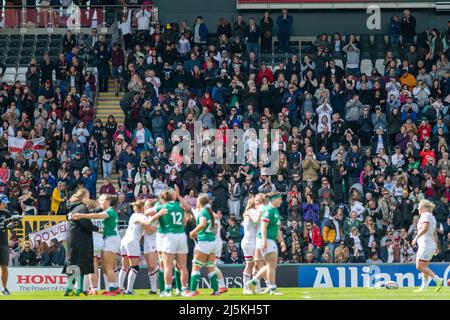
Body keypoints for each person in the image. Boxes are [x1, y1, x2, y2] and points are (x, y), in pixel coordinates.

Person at [72, 194, 121, 296]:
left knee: (108, 267)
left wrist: (81, 215)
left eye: (102, 200)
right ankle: (115, 287)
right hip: (110, 238)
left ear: (108, 201)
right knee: (105, 266)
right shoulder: (111, 211)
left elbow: (96, 216)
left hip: (111, 239)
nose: (100, 202)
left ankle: (113, 289)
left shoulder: (110, 211)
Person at [149, 188, 190, 297]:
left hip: (168, 236)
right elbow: (186, 217)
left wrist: (157, 213)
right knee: (183, 266)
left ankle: (167, 290)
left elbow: (147, 213)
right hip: (181, 235)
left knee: (167, 266)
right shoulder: (180, 206)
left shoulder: (162, 207)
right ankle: (184, 289)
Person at [246, 193, 286, 295]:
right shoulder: (268, 210)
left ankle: (254, 282)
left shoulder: (275, 210)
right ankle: (271, 288)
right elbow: (263, 226)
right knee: (271, 265)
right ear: (275, 199)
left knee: (271, 265)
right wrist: (264, 240)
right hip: (266, 239)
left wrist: (281, 241)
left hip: (270, 239)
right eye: (280, 199)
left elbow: (276, 230)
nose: (281, 201)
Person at [63, 188, 99, 296]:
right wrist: (97, 229)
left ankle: (70, 289)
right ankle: (77, 289)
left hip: (72, 238)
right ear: (84, 197)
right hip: (79, 239)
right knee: (80, 265)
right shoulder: (82, 208)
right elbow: (86, 224)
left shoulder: (73, 207)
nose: (88, 199)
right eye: (87, 197)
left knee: (74, 265)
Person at [188, 194, 221, 296]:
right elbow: (214, 230)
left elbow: (202, 224)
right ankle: (216, 291)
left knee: (196, 266)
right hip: (212, 242)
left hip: (204, 243)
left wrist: (193, 232)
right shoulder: (210, 212)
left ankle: (193, 291)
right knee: (210, 266)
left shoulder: (203, 211)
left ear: (200, 202)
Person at [118, 200, 150, 294]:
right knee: (135, 267)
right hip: (132, 242)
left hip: (124, 241)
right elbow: (146, 223)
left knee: (124, 267)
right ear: (143, 207)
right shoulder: (142, 216)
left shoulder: (133, 215)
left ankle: (120, 288)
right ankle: (129, 289)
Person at [411, 199, 444, 292]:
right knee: (424, 266)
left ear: (424, 207)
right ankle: (424, 287)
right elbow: (434, 233)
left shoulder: (425, 215)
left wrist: (416, 237)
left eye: (419, 205)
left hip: (425, 244)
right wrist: (436, 245)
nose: (418, 207)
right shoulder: (431, 216)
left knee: (419, 266)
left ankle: (437, 279)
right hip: (430, 244)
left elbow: (425, 228)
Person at [241, 198, 261, 294]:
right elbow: (256, 221)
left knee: (254, 265)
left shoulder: (248, 212)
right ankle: (247, 288)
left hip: (249, 241)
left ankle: (254, 287)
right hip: (250, 242)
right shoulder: (252, 211)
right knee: (251, 265)